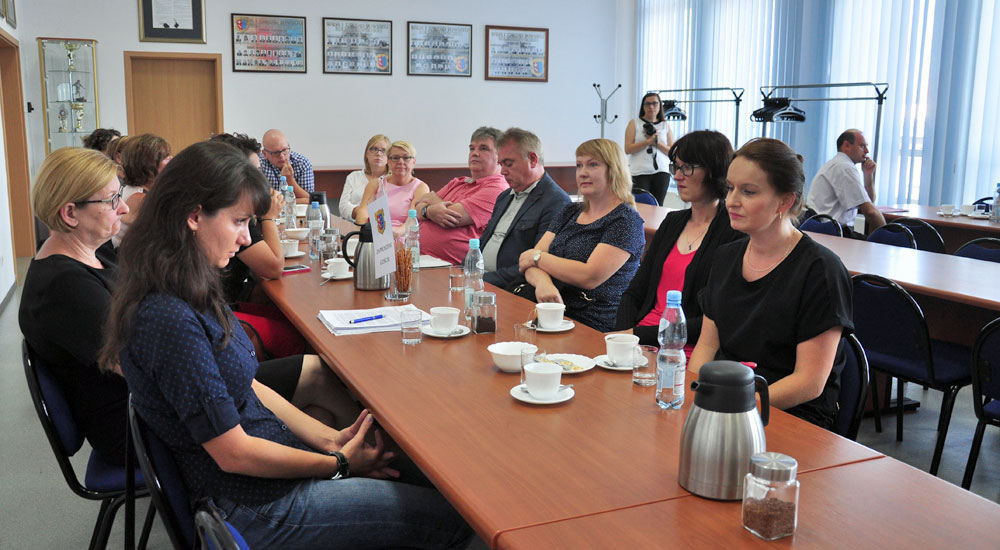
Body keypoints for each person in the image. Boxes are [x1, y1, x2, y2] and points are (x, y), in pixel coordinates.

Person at [101, 141, 472, 549]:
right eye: (239, 221)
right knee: (456, 519)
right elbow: (234, 454)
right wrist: (338, 464)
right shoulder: (168, 317)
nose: (246, 237)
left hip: (261, 480)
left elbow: (247, 386)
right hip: (258, 506)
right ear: (193, 216)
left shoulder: (186, 284)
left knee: (415, 472)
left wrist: (331, 441)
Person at [690, 138, 853, 429]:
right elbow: (706, 345)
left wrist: (736, 406)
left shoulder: (820, 271)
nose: (731, 201)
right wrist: (698, 395)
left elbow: (809, 382)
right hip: (727, 404)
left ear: (785, 201)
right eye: (730, 188)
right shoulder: (726, 257)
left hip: (790, 416)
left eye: (748, 192)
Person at [19, 148, 130, 466]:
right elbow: (140, 367)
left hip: (142, 406)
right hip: (131, 425)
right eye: (112, 199)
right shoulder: (65, 287)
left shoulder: (96, 252)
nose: (123, 207)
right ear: (70, 213)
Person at [615, 130, 742, 349]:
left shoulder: (733, 233)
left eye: (687, 168)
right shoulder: (673, 222)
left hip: (687, 348)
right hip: (641, 341)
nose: (676, 176)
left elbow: (715, 320)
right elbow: (634, 292)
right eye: (676, 167)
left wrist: (636, 335)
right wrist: (624, 338)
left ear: (714, 170)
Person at [517, 139, 645, 332]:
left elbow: (589, 276)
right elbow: (527, 264)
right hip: (552, 309)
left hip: (592, 321)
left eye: (593, 165)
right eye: (579, 165)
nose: (582, 172)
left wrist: (537, 258)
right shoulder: (570, 211)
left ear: (614, 170)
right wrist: (543, 283)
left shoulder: (626, 221)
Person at [481, 127, 570, 289]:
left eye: (509, 164)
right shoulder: (503, 197)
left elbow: (537, 262)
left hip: (509, 288)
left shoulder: (557, 202)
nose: (502, 172)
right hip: (481, 280)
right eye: (501, 164)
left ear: (533, 159)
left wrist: (483, 279)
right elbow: (481, 244)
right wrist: (463, 271)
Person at [414, 127, 509, 264]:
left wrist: (430, 202)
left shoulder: (498, 188)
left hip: (454, 267)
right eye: (472, 148)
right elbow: (416, 210)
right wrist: (429, 211)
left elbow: (452, 218)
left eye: (483, 148)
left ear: (500, 156)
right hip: (420, 258)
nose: (475, 153)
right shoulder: (458, 182)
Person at [805, 129, 885, 236]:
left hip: (825, 230)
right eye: (862, 146)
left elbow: (869, 202)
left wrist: (868, 175)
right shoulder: (844, 167)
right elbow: (871, 212)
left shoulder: (839, 164)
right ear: (846, 145)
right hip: (831, 233)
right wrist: (884, 238)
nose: (867, 151)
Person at [355, 140, 429, 236]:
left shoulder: (421, 187)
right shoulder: (375, 184)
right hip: (374, 236)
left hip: (404, 238)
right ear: (388, 161)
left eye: (406, 158)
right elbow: (363, 211)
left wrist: (396, 233)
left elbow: (412, 220)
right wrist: (363, 232)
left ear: (414, 162)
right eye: (395, 158)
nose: (400, 162)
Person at [113, 134, 171, 248]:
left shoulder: (131, 189)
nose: (172, 160)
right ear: (148, 165)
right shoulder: (139, 199)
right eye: (166, 158)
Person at [624, 92, 675, 204]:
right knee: (639, 205)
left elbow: (672, 152)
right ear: (643, 106)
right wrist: (647, 142)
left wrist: (657, 143)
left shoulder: (665, 125)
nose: (651, 107)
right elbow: (627, 149)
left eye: (654, 103)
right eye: (647, 104)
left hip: (661, 172)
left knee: (658, 205)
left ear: (659, 106)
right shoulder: (635, 123)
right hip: (639, 172)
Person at [340, 135, 390, 222]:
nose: (378, 153)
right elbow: (343, 206)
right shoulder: (354, 177)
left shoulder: (393, 180)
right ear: (367, 154)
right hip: (353, 224)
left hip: (382, 226)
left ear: (389, 156)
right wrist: (361, 212)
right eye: (374, 149)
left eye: (383, 150)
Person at [260, 128, 314, 200]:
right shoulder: (258, 165)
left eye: (284, 150)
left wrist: (289, 179)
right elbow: (258, 200)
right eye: (276, 153)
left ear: (288, 146)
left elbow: (309, 200)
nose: (282, 156)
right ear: (264, 154)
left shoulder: (302, 164)